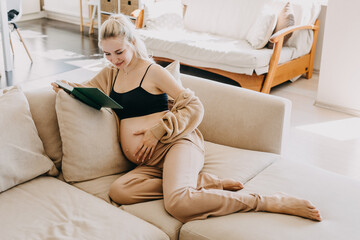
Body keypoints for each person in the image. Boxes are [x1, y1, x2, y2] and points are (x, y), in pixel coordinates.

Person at [51, 14, 321, 223]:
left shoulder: (152, 71)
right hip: (150, 162)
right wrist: (64, 86)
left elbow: (193, 105)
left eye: (119, 52)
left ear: (132, 42)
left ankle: (266, 201)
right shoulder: (110, 74)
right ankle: (203, 182)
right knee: (120, 192)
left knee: (177, 204)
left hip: (177, 145)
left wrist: (157, 131)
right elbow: (85, 87)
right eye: (107, 54)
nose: (114, 59)